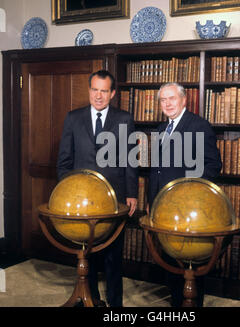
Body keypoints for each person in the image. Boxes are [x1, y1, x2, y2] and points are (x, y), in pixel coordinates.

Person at [57, 70, 138, 307]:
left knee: (114, 257)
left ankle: (115, 305)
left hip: (114, 200)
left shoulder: (124, 119)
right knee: (86, 254)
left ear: (112, 93)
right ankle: (89, 299)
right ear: (89, 90)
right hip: (82, 200)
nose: (98, 96)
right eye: (95, 89)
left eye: (104, 91)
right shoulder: (73, 118)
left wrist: (132, 194)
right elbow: (64, 161)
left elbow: (130, 160)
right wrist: (67, 193)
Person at [148, 82, 222, 307]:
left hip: (189, 207)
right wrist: (152, 201)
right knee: (171, 256)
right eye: (163, 100)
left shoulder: (199, 126)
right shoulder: (161, 130)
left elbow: (213, 165)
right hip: (163, 207)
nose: (168, 103)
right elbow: (156, 169)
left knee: (191, 258)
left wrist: (190, 193)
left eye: (172, 98)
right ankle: (176, 305)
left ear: (184, 100)